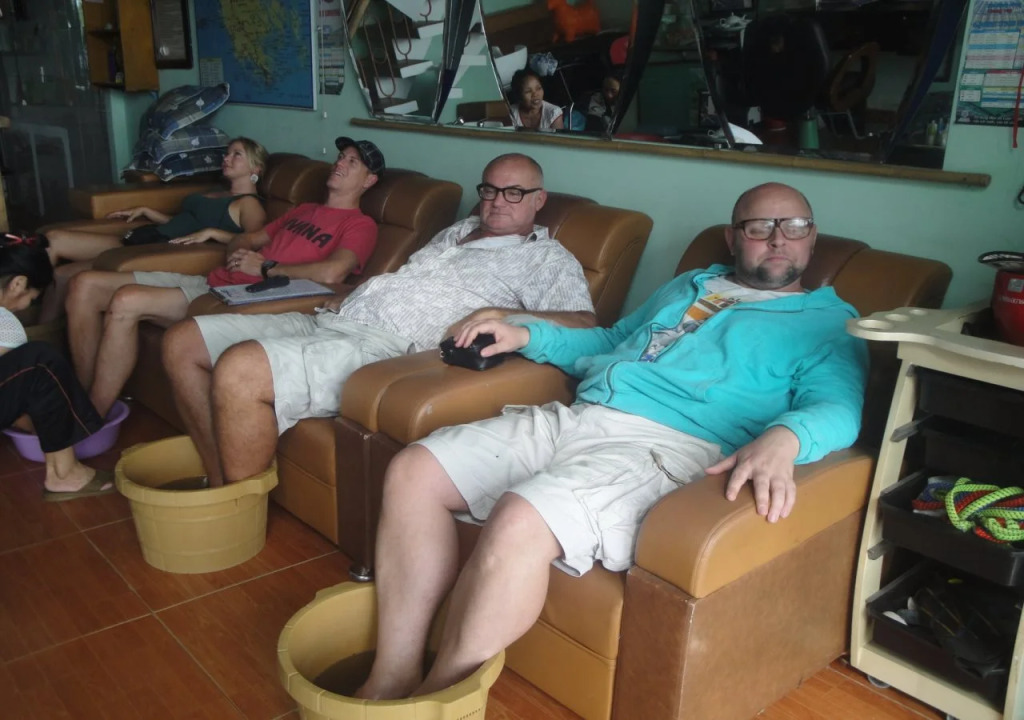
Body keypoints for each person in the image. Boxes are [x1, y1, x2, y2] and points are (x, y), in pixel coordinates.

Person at [355, 182, 869, 700]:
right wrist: (527, 334)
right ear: (735, 238)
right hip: (584, 416)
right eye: (760, 227)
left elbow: (839, 408)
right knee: (414, 471)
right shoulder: (690, 284)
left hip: (667, 447)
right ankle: (391, 677)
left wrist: (786, 436)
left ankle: (434, 702)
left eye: (794, 226)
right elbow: (611, 340)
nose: (778, 239)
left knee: (520, 517)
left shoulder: (830, 323)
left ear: (812, 236)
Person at [160, 153, 595, 487]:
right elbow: (404, 281)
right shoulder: (456, 232)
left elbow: (585, 322)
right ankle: (219, 479)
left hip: (384, 348)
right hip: (334, 316)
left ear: (539, 199)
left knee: (240, 369)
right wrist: (347, 294)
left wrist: (502, 313)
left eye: (513, 192)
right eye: (490, 190)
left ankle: (234, 513)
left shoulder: (547, 259)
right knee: (183, 342)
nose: (498, 202)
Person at [65, 136, 384, 419]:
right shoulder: (304, 209)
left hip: (251, 294)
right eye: (341, 157)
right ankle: (81, 398)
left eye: (352, 162)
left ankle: (91, 419)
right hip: (218, 279)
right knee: (84, 285)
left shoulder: (361, 225)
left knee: (125, 301)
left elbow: (333, 272)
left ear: (369, 180)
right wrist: (238, 250)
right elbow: (250, 236)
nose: (340, 163)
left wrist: (265, 268)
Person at [38, 137, 269, 323]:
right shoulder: (216, 192)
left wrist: (213, 233)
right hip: (150, 235)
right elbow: (184, 222)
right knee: (53, 240)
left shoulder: (249, 203)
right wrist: (147, 210)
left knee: (64, 274)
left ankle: (43, 337)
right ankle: (32, 325)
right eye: (227, 153)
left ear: (255, 168)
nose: (226, 158)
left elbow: (254, 241)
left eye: (236, 154)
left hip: (161, 249)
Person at [0, 234, 115, 501]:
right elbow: (18, 395)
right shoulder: (5, 323)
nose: (25, 307)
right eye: (32, 298)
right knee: (42, 362)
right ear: (18, 283)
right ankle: (65, 474)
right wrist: (53, 421)